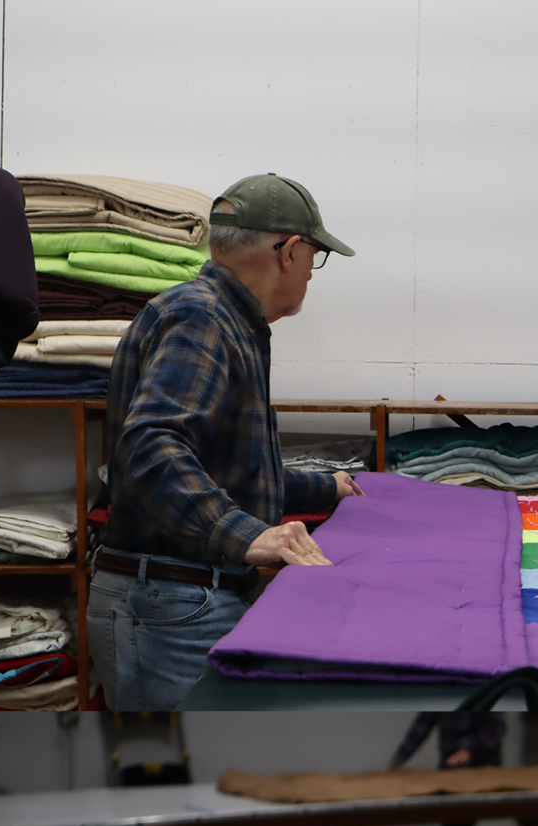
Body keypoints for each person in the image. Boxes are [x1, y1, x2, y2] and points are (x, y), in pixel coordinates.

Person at [90, 173, 362, 711]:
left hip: (179, 598)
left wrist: (325, 487)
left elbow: (224, 467)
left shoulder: (226, 320)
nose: (312, 272)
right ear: (289, 251)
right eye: (315, 256)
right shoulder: (204, 318)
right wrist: (246, 536)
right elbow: (150, 447)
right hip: (173, 604)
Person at [390, 711, 507, 826]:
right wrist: (398, 759)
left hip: (480, 765)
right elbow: (421, 726)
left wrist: (469, 750)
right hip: (450, 764)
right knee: (451, 821)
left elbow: (496, 727)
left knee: (461, 820)